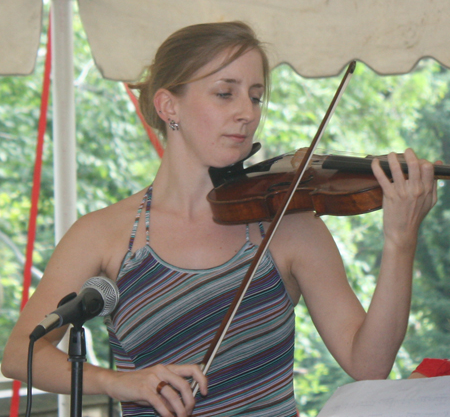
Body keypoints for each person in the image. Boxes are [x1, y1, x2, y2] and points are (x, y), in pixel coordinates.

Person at [2, 21, 438, 417]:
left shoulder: (287, 223)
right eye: (225, 93)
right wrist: (116, 382)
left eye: (255, 95)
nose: (247, 112)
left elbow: (370, 363)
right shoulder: (105, 234)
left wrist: (400, 242)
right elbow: (21, 352)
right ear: (169, 106)